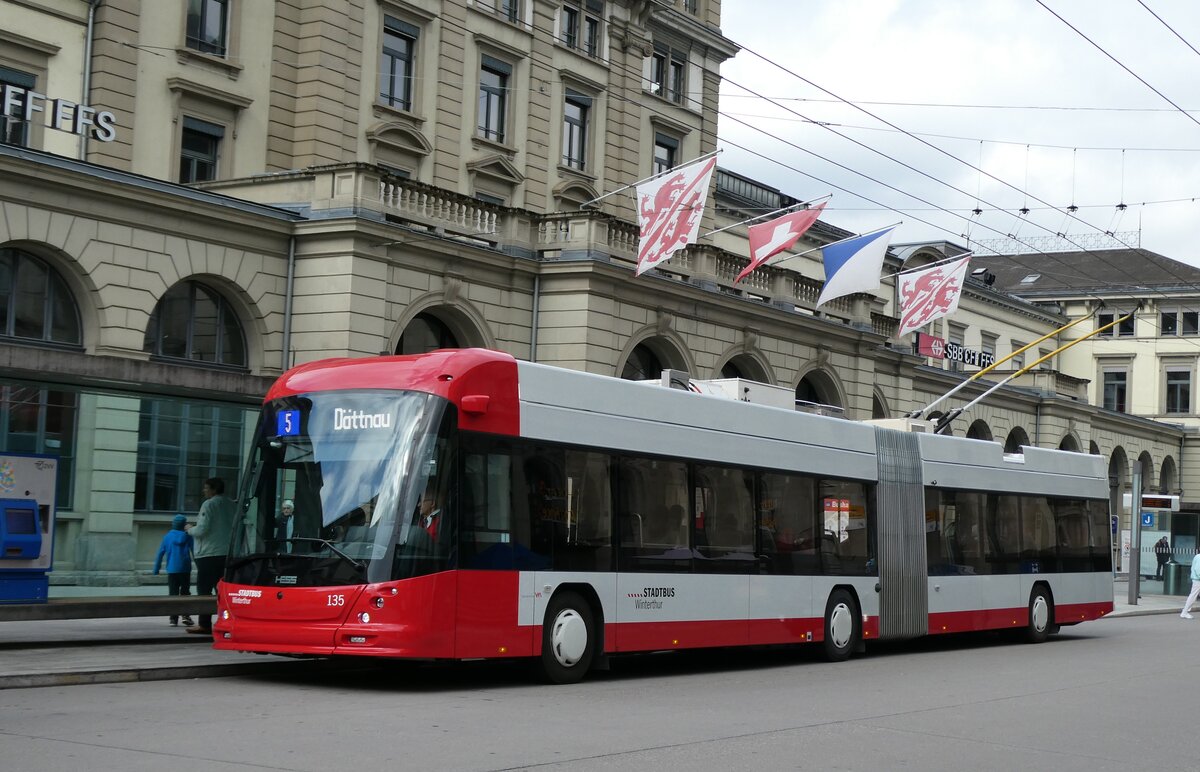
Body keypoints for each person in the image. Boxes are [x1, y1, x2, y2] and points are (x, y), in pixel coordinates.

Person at [186, 477, 236, 635]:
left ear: (214, 489)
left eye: (206, 488)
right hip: (226, 553)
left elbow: (202, 530)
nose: (204, 491)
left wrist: (189, 529)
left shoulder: (209, 504)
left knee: (204, 590)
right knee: (222, 591)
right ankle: (226, 621)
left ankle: (204, 624)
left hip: (209, 554)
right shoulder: (232, 504)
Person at [153, 514, 195, 627]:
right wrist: (200, 566)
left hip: (172, 569)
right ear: (183, 525)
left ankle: (173, 618)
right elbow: (194, 551)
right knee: (185, 592)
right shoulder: (188, 536)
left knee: (173, 593)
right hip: (185, 568)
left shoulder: (167, 537)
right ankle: (186, 616)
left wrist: (156, 569)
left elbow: (160, 553)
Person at [1181, 550, 1200, 619]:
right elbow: (1198, 570)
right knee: (1193, 596)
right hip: (1198, 580)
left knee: (1193, 595)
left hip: (1197, 579)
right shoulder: (1199, 557)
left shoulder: (1197, 556)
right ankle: (1184, 612)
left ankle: (1185, 612)